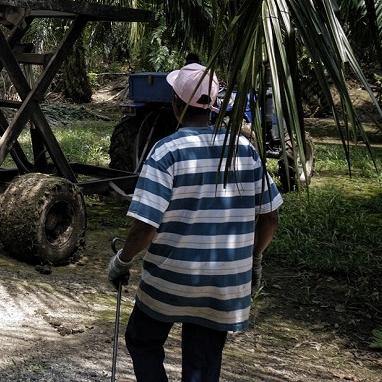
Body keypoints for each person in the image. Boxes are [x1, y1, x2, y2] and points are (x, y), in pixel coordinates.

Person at [107, 62, 283, 382]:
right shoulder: (244, 149)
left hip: (169, 281)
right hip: (223, 286)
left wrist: (122, 261)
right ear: (214, 107)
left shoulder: (166, 151)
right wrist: (254, 261)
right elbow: (270, 217)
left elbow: (147, 226)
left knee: (142, 340)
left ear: (175, 104)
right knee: (201, 367)